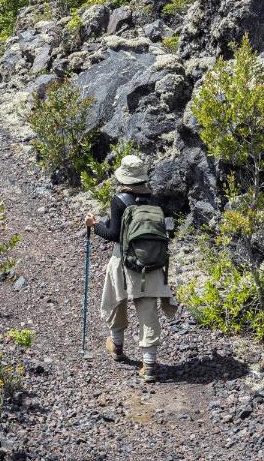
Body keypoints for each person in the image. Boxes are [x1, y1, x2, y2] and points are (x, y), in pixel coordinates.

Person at [84, 154, 177, 383]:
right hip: (152, 264)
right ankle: (149, 363)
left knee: (115, 300)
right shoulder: (155, 201)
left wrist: (94, 226)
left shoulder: (120, 200)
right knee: (148, 310)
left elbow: (114, 234)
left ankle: (116, 346)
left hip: (123, 260)